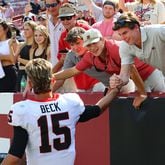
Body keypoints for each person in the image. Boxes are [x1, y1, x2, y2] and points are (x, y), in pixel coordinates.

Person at [1, 58, 118, 165]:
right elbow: (97, 109)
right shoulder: (69, 103)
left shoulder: (23, 110)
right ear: (53, 80)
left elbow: (15, 156)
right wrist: (114, 91)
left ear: (30, 83)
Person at [54, 28, 165, 107]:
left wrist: (142, 93)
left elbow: (132, 69)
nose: (92, 47)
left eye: (94, 43)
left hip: (150, 73)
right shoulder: (90, 56)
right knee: (146, 108)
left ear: (102, 40)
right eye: (88, 45)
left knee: (160, 104)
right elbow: (73, 71)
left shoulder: (115, 48)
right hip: (136, 80)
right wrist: (50, 76)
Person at [109, 12, 165, 90]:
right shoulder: (125, 46)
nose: (123, 38)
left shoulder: (157, 31)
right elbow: (124, 76)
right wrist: (117, 81)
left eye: (125, 33)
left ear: (136, 27)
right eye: (120, 34)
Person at [0, 20, 18, 92]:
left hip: (9, 71)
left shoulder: (12, 41)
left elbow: (15, 59)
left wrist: (2, 57)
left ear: (6, 29)